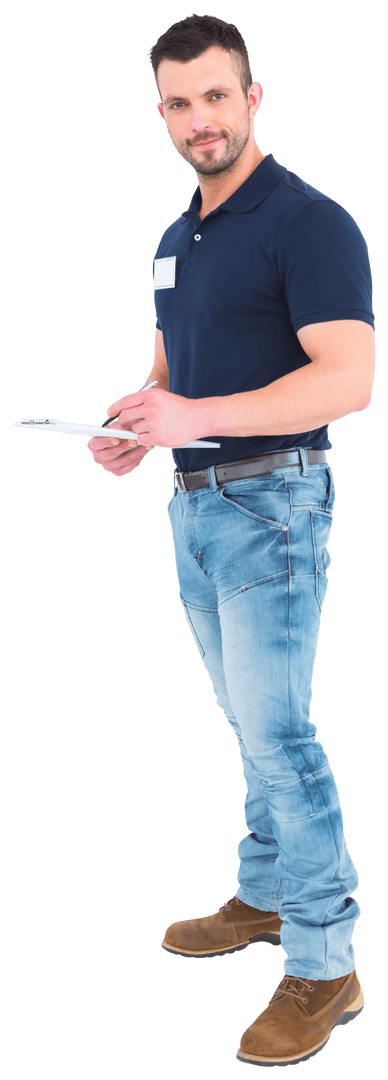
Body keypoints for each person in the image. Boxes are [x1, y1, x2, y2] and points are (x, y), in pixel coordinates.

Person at [87, 14, 375, 1068]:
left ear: (252, 99)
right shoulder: (176, 240)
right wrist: (138, 423)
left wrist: (193, 417)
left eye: (217, 95)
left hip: (275, 507)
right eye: (178, 102)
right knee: (248, 724)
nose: (198, 118)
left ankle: (326, 962)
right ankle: (261, 893)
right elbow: (176, 373)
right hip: (196, 508)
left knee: (281, 736)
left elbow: (347, 379)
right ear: (160, 113)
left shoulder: (309, 223)